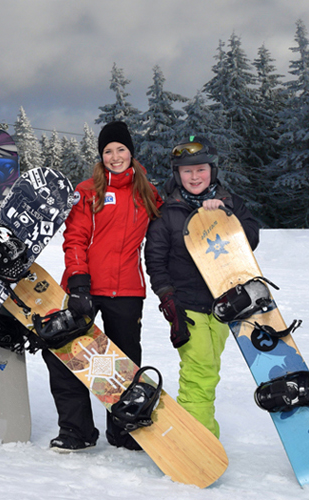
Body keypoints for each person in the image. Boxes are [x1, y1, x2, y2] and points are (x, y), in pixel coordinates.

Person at [46, 120, 162, 452]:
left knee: (125, 362)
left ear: (131, 152)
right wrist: (79, 281)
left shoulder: (148, 193)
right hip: (86, 287)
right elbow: (75, 238)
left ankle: (123, 430)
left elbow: (171, 225)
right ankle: (76, 430)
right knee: (66, 353)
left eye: (120, 149)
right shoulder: (88, 190)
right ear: (101, 155)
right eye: (108, 151)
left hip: (126, 289)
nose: (114, 157)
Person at [142, 136, 260, 436]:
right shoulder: (166, 214)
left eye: (201, 170)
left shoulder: (230, 203)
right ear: (177, 174)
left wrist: (223, 217)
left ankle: (192, 429)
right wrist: (169, 301)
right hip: (186, 305)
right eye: (186, 171)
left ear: (212, 170)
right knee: (200, 371)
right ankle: (197, 438)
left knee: (209, 370)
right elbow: (155, 261)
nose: (194, 177)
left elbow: (250, 240)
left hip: (222, 305)